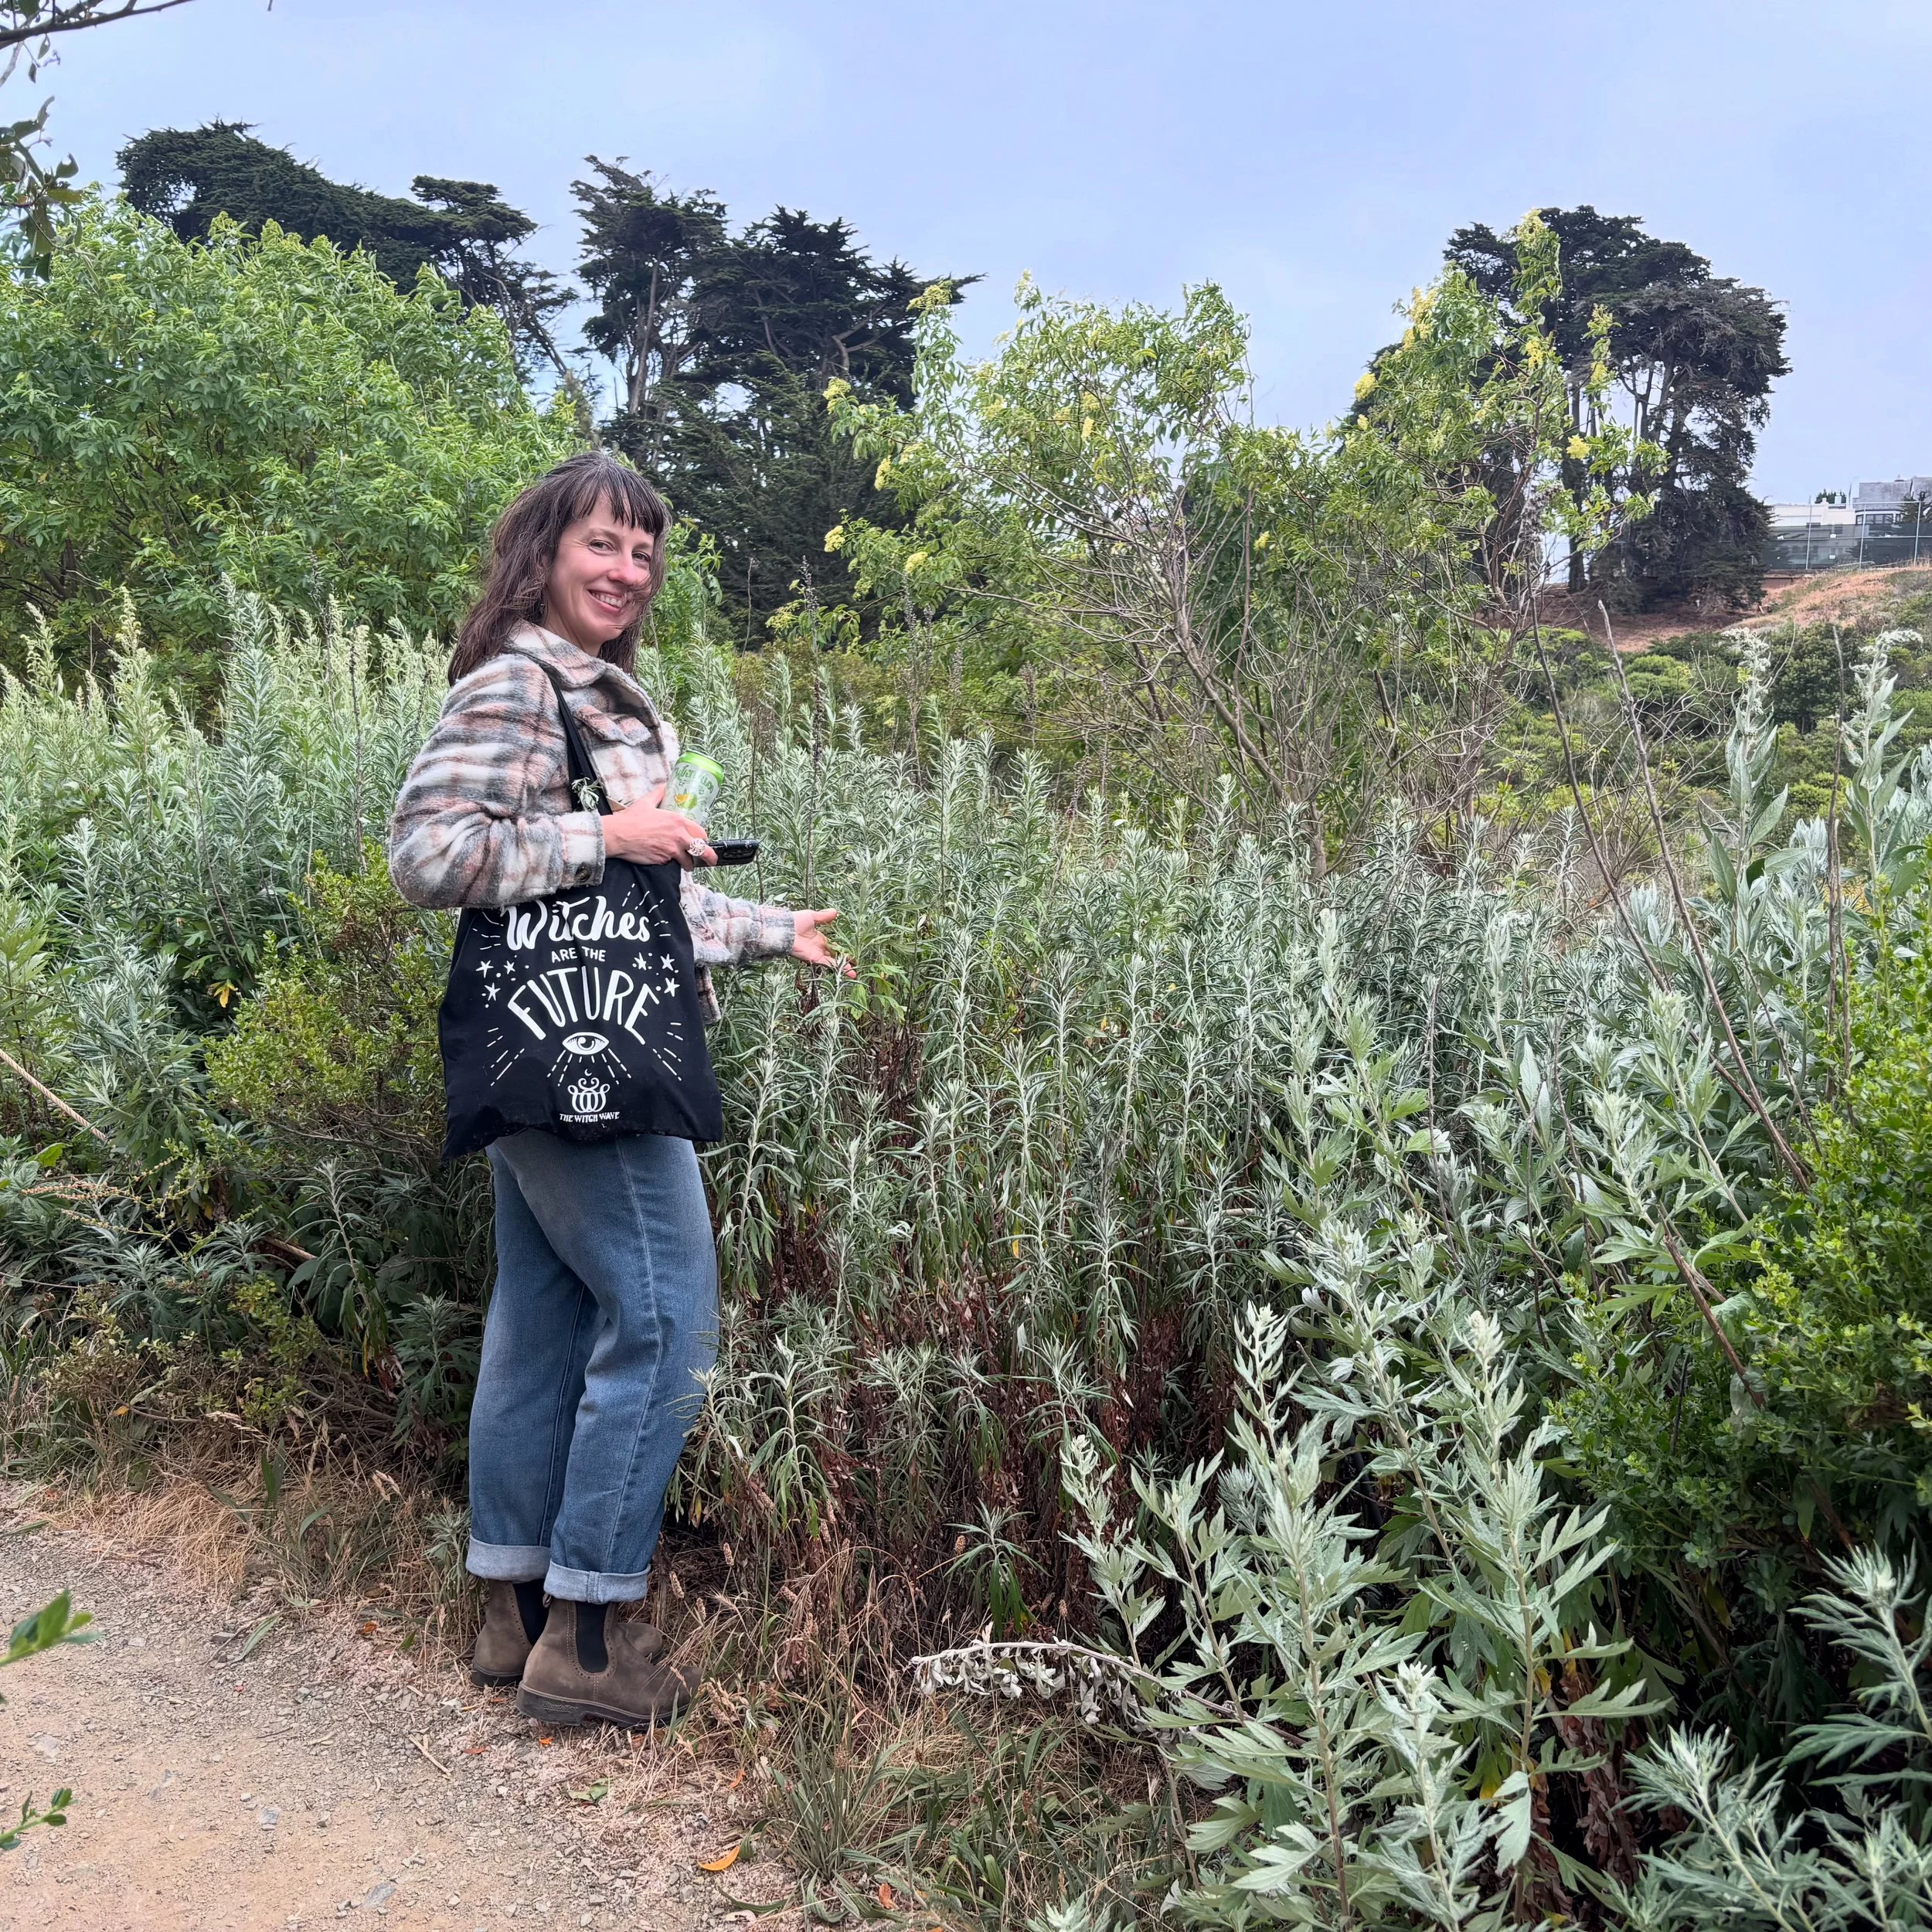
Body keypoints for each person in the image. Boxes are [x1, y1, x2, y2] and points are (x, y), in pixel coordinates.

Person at [388, 451, 850, 1728]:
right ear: (543, 551)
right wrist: (610, 831)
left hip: (552, 1041)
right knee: (664, 1321)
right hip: (587, 1059)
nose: (627, 571)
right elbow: (427, 854)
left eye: (644, 553)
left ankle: (514, 1612)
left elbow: (638, 903)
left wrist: (767, 931)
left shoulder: (586, 692)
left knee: (540, 1328)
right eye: (604, 544)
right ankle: (593, 1643)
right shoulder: (519, 684)